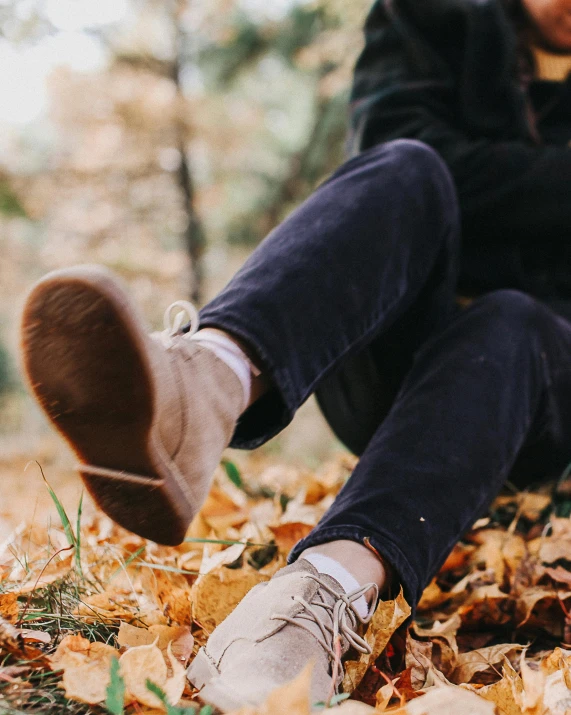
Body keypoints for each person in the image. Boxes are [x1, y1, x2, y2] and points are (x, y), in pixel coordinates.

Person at [19, 0, 571, 709]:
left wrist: (489, 187)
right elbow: (394, 150)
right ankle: (204, 383)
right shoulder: (429, 16)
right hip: (390, 360)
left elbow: (469, 184)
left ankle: (321, 592)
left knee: (508, 317)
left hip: (543, 374)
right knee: (407, 168)